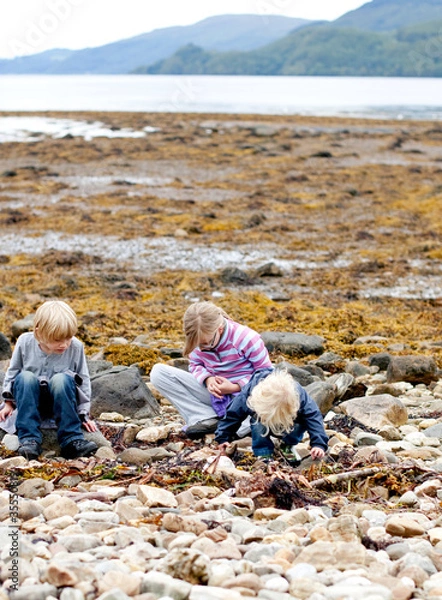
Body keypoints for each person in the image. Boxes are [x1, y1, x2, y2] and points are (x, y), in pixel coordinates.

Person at [150, 301, 272, 438]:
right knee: (158, 373)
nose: (203, 348)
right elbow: (195, 365)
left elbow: (266, 373)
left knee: (263, 408)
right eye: (199, 345)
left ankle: (241, 424)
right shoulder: (198, 340)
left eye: (207, 343)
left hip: (245, 397)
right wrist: (208, 379)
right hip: (217, 397)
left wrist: (235, 387)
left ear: (219, 329)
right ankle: (205, 418)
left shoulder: (246, 338)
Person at [0, 300, 98, 460]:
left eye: (68, 338)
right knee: (25, 377)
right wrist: (8, 404)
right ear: (39, 333)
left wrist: (84, 414)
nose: (65, 344)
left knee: (62, 379)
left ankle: (71, 440)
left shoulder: (76, 347)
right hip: (29, 402)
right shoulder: (25, 342)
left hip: (61, 404)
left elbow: (84, 381)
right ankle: (29, 440)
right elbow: (12, 372)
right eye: (58, 340)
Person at [215, 369, 328, 461]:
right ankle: (263, 452)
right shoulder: (249, 394)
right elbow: (232, 415)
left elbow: (313, 417)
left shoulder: (300, 397)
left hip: (289, 422)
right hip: (262, 420)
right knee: (257, 423)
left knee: (301, 424)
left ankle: (287, 445)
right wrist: (223, 438)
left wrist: (318, 444)